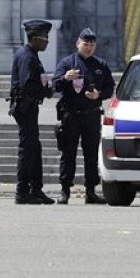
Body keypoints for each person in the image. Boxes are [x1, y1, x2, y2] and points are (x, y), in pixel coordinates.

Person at [52, 27, 115, 205]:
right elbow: (55, 86)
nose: (88, 48)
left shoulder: (101, 65)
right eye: (85, 44)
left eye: (91, 45)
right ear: (78, 44)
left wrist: (99, 95)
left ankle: (91, 191)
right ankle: (65, 191)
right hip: (71, 115)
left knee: (91, 154)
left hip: (92, 115)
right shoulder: (67, 63)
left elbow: (110, 88)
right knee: (68, 153)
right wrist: (65, 78)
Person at [9, 19, 55, 205]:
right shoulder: (27, 57)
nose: (47, 41)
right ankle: (22, 192)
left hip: (28, 107)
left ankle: (35, 189)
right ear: (35, 38)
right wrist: (46, 91)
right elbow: (28, 84)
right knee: (28, 149)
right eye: (45, 38)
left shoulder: (30, 54)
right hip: (25, 107)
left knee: (34, 148)